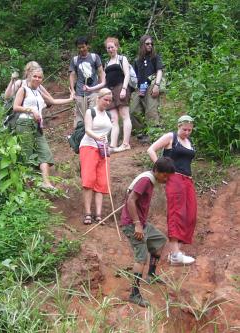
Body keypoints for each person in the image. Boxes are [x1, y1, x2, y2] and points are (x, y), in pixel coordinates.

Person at [121, 157, 175, 307]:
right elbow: (131, 200)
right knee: (141, 258)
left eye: (168, 177)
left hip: (142, 223)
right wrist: (137, 225)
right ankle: (134, 294)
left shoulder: (150, 179)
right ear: (157, 171)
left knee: (159, 240)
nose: (166, 179)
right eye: (164, 176)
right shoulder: (146, 180)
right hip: (133, 224)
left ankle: (151, 275)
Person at [13, 67, 74, 189]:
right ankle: (27, 186)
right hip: (24, 124)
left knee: (45, 152)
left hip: (37, 126)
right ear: (29, 76)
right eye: (35, 76)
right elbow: (15, 107)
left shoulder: (38, 92)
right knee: (27, 154)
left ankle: (46, 183)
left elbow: (53, 101)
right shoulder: (23, 89)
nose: (37, 79)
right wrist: (31, 110)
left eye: (40, 77)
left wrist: (70, 98)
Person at [147, 115, 197, 265]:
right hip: (174, 178)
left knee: (191, 215)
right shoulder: (171, 137)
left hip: (188, 180)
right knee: (177, 213)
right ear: (178, 126)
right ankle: (175, 255)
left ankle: (177, 252)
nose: (187, 132)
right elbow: (151, 149)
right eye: (184, 129)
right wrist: (162, 168)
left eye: (189, 130)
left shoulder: (189, 142)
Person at [85, 37, 132, 152]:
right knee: (113, 119)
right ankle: (112, 145)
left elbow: (127, 75)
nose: (110, 49)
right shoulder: (107, 63)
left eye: (112, 47)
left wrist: (124, 89)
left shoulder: (122, 59)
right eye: (108, 48)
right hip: (109, 91)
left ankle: (126, 143)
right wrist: (90, 88)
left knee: (125, 115)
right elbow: (104, 82)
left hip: (120, 87)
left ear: (116, 47)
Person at [79, 88, 113, 225]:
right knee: (89, 180)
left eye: (110, 100)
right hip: (89, 146)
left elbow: (109, 131)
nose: (107, 102)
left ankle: (98, 214)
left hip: (103, 149)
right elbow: (88, 130)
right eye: (105, 99)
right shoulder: (90, 112)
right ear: (99, 98)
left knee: (102, 180)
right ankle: (87, 213)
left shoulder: (109, 115)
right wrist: (98, 137)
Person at [130, 35, 164, 142]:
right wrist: (135, 89)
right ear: (142, 45)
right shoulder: (137, 60)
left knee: (151, 111)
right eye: (147, 44)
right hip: (140, 88)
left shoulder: (155, 57)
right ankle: (141, 132)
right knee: (133, 111)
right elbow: (134, 76)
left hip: (151, 86)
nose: (150, 45)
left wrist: (157, 85)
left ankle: (154, 134)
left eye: (151, 44)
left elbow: (159, 71)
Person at [69, 36, 105, 128]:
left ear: (87, 46)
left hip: (93, 91)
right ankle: (79, 137)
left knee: (93, 114)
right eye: (79, 47)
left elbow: (101, 71)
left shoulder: (94, 57)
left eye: (83, 46)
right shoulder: (75, 60)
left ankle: (92, 137)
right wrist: (73, 90)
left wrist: (101, 86)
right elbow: (72, 75)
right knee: (79, 117)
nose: (81, 49)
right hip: (80, 92)